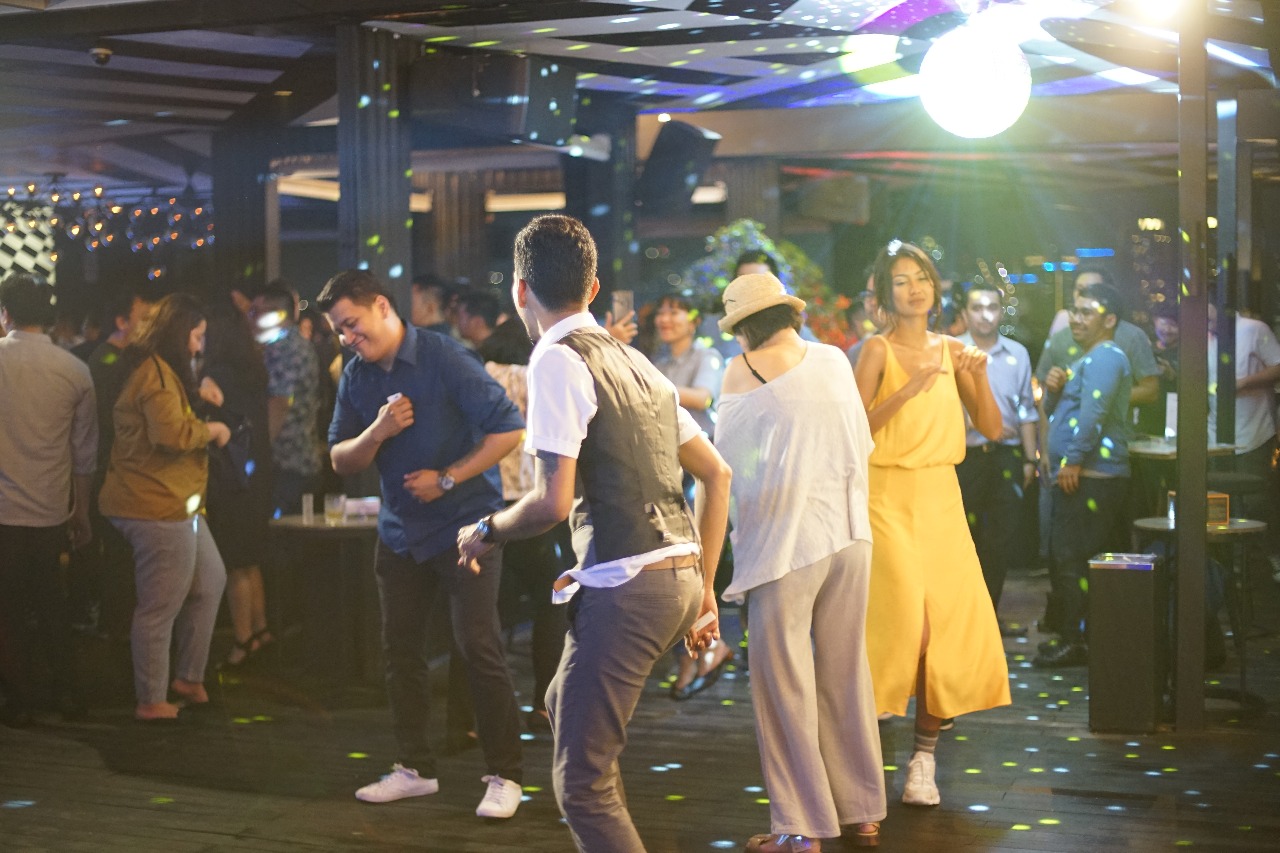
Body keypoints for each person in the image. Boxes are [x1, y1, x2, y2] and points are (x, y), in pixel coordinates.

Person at [456, 214, 731, 853]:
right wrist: (704, 591)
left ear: (520, 289)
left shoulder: (556, 358)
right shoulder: (637, 361)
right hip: (676, 578)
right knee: (562, 702)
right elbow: (717, 474)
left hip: (629, 586)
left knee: (581, 784)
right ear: (594, 287)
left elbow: (551, 502)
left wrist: (487, 529)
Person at [319, 269, 527, 818]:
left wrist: (449, 478)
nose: (347, 337)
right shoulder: (357, 375)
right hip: (399, 533)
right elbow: (340, 458)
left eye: (352, 324)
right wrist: (378, 431)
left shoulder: (446, 356)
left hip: (465, 528)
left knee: (478, 646)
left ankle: (506, 774)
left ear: (382, 307)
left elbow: (509, 429)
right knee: (400, 651)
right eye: (339, 330)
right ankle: (414, 768)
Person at [716, 272, 885, 852]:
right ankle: (862, 811)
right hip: (850, 534)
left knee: (784, 686)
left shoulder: (741, 369)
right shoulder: (834, 359)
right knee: (846, 672)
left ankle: (800, 827)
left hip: (786, 546)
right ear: (790, 314)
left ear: (742, 327)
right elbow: (860, 445)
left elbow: (726, 471)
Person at [853, 241, 1010, 808]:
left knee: (943, 632)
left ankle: (924, 759)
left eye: (921, 277)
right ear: (884, 293)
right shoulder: (876, 349)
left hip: (942, 496)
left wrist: (980, 377)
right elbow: (852, 430)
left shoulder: (955, 350)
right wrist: (906, 390)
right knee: (904, 626)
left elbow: (993, 428)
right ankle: (864, 745)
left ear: (935, 288)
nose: (914, 288)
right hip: (885, 495)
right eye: (901, 280)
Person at [99, 293, 232, 721]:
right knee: (160, 606)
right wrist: (213, 429)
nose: (199, 346)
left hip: (176, 501)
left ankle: (188, 678)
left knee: (210, 580)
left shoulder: (158, 370)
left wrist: (200, 400)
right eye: (196, 336)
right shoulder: (154, 373)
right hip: (155, 502)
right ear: (179, 333)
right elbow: (170, 435)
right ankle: (151, 700)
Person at [0, 273, 97, 726]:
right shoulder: (75, 371)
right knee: (53, 605)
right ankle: (67, 693)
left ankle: (16, 699)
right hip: (51, 508)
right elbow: (84, 452)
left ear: (5, 312)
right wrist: (82, 510)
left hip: (3, 511)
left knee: (8, 610)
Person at [1034, 283, 1133, 668]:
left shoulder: (1106, 357)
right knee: (1068, 557)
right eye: (1074, 311)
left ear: (1109, 320)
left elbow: (1093, 414)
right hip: (1081, 474)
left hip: (1091, 476)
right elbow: (1061, 412)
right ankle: (1075, 638)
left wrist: (1072, 461)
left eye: (1086, 312)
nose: (1076, 319)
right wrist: (1055, 390)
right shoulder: (1088, 358)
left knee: (1072, 559)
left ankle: (1076, 641)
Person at [650, 291, 733, 699]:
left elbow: (703, 397)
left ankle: (701, 652)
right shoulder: (658, 361)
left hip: (701, 474)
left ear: (694, 320)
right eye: (662, 311)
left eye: (676, 311)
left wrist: (647, 384)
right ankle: (703, 650)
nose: (666, 318)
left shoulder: (707, 357)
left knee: (695, 564)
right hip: (666, 469)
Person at [956, 280, 1039, 634]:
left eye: (992, 307)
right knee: (964, 537)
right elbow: (943, 407)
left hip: (1007, 457)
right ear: (965, 313)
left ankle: (988, 617)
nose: (985, 315)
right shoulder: (953, 351)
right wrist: (981, 423)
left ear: (1001, 312)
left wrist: (1030, 460)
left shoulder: (1017, 353)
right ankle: (962, 618)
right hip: (965, 456)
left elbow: (1026, 410)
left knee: (1001, 538)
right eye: (977, 308)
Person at [201, 295, 275, 668]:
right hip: (258, 471)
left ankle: (242, 641)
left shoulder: (214, 375)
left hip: (230, 475)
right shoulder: (255, 371)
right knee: (251, 558)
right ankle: (261, 631)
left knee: (233, 562)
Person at [1207, 304, 1280, 580]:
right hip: (1215, 433)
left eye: (1208, 314)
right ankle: (1229, 567)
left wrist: (1244, 382)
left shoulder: (1253, 330)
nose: (1205, 320)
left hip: (1255, 431)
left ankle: (1271, 559)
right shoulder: (1204, 338)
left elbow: (1278, 366)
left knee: (1255, 502)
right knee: (1219, 503)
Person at [254, 285, 323, 517]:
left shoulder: (285, 348)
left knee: (280, 531)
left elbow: (280, 402)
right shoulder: (295, 344)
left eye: (258, 312)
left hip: (289, 463)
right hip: (299, 460)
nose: (253, 318)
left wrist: (261, 451)